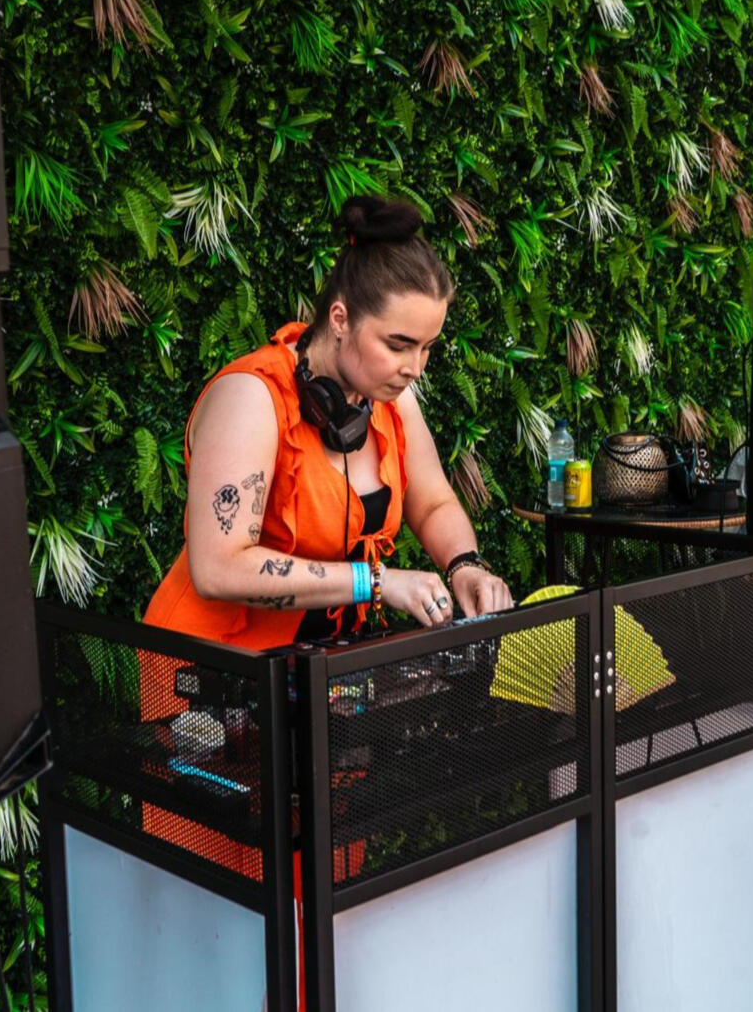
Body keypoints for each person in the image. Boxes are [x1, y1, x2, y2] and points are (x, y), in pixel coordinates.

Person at [139, 195, 514, 1009]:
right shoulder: (251, 397)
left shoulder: (389, 398)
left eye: (428, 346)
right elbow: (218, 564)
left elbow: (432, 499)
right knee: (226, 923)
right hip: (211, 685)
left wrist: (464, 563)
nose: (415, 366)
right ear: (340, 319)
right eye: (398, 343)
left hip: (315, 688)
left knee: (322, 903)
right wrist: (376, 582)